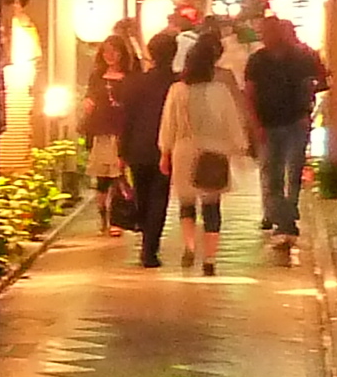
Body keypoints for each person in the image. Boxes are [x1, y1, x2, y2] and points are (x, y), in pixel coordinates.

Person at [161, 30, 258, 276]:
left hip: (184, 150)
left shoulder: (177, 90)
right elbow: (232, 122)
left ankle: (190, 245)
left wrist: (165, 152)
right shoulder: (220, 91)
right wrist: (241, 147)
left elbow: (168, 124)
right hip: (214, 151)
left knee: (186, 203)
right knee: (212, 206)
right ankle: (210, 259)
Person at [244, 14, 330, 256]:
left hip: (295, 121)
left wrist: (308, 109)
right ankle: (283, 219)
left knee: (292, 172)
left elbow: (318, 81)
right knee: (272, 173)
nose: (267, 37)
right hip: (268, 123)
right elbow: (249, 93)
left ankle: (286, 218)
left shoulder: (301, 57)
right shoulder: (257, 61)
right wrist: (255, 124)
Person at [120, 30, 181, 267]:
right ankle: (149, 248)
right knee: (159, 197)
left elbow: (127, 118)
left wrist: (122, 150)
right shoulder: (177, 83)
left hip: (137, 146)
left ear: (151, 54)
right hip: (167, 148)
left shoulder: (136, 82)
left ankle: (146, 239)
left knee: (143, 196)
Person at [81, 22, 143, 228]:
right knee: (102, 177)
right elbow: (90, 95)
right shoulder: (97, 75)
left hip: (123, 130)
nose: (110, 56)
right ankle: (103, 218)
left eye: (114, 52)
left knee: (120, 176)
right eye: (106, 52)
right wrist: (88, 103)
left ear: (122, 54)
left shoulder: (131, 77)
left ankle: (119, 218)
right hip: (101, 129)